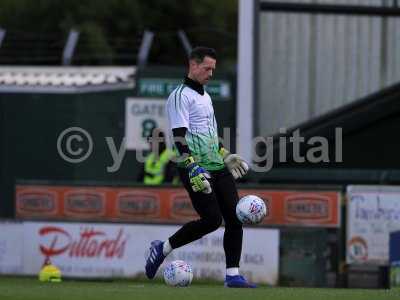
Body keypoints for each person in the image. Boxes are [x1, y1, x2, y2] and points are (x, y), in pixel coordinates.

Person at [145, 47, 254, 288]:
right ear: (193, 66)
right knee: (212, 220)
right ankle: (162, 248)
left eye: (213, 69)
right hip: (195, 168)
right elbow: (179, 136)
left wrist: (225, 154)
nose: (211, 73)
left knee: (235, 218)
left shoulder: (205, 95)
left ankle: (233, 275)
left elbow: (210, 135)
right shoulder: (179, 96)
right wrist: (192, 166)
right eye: (207, 68)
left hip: (217, 166)